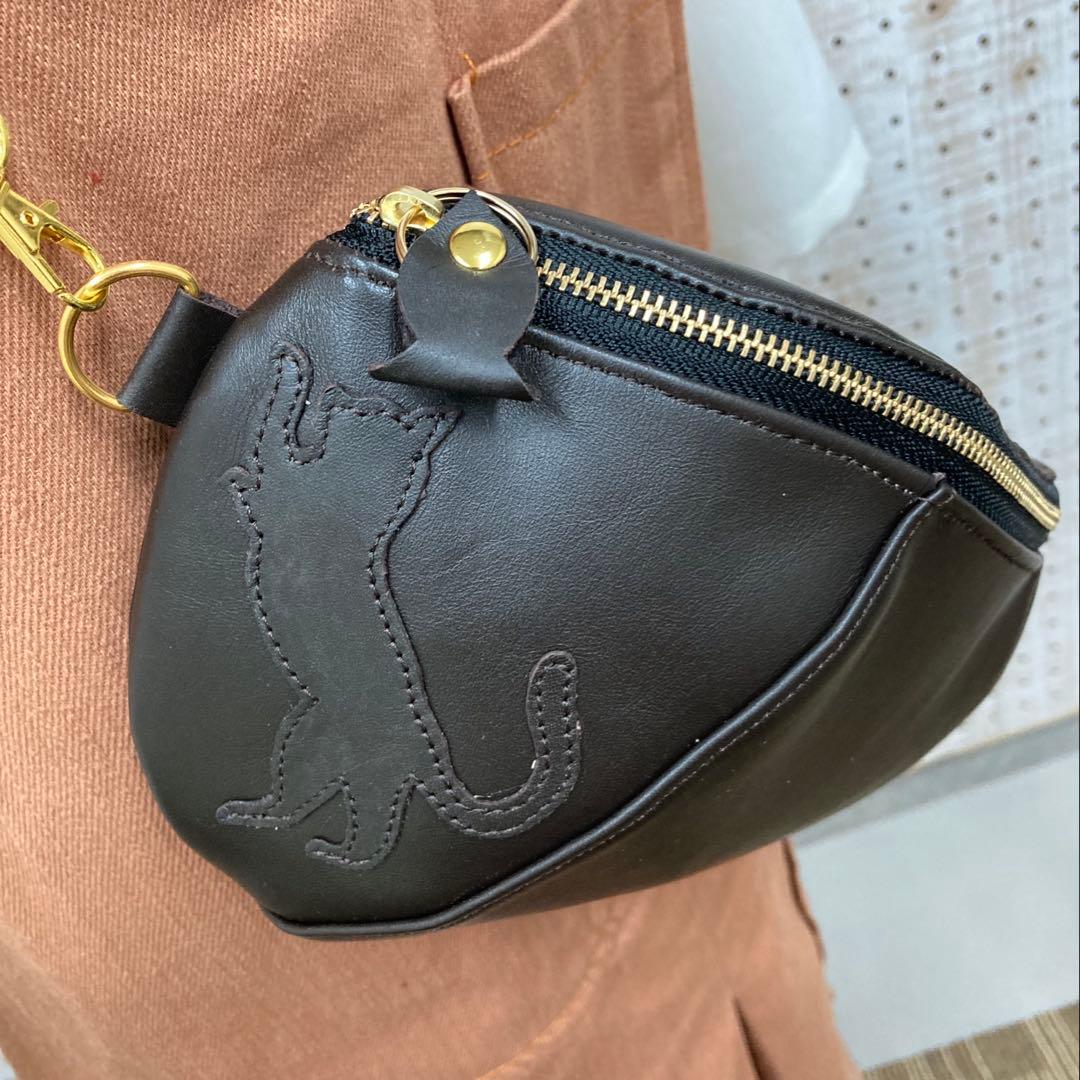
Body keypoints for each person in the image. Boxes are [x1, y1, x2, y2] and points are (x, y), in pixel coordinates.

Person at [0, 2, 860, 1075]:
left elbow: (291, 474)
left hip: (346, 140)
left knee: (579, 970)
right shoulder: (350, 482)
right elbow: (283, 477)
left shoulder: (365, 485)